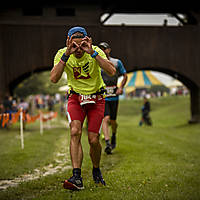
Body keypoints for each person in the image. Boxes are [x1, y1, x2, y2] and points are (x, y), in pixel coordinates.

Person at [51, 26, 116, 190]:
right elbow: (53, 78)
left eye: (81, 45)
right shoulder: (62, 54)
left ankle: (96, 169)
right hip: (75, 97)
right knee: (75, 131)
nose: (78, 50)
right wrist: (67, 54)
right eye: (74, 46)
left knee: (93, 140)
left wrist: (92, 53)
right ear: (68, 42)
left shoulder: (95, 51)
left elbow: (111, 71)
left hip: (97, 97)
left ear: (87, 42)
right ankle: (77, 176)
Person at [99, 42, 127, 154]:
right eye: (101, 49)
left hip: (114, 96)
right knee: (105, 119)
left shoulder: (116, 62)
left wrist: (121, 88)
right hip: (104, 96)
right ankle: (108, 143)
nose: (103, 51)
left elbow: (125, 75)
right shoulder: (96, 63)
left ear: (109, 50)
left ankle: (114, 134)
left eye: (104, 49)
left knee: (113, 121)